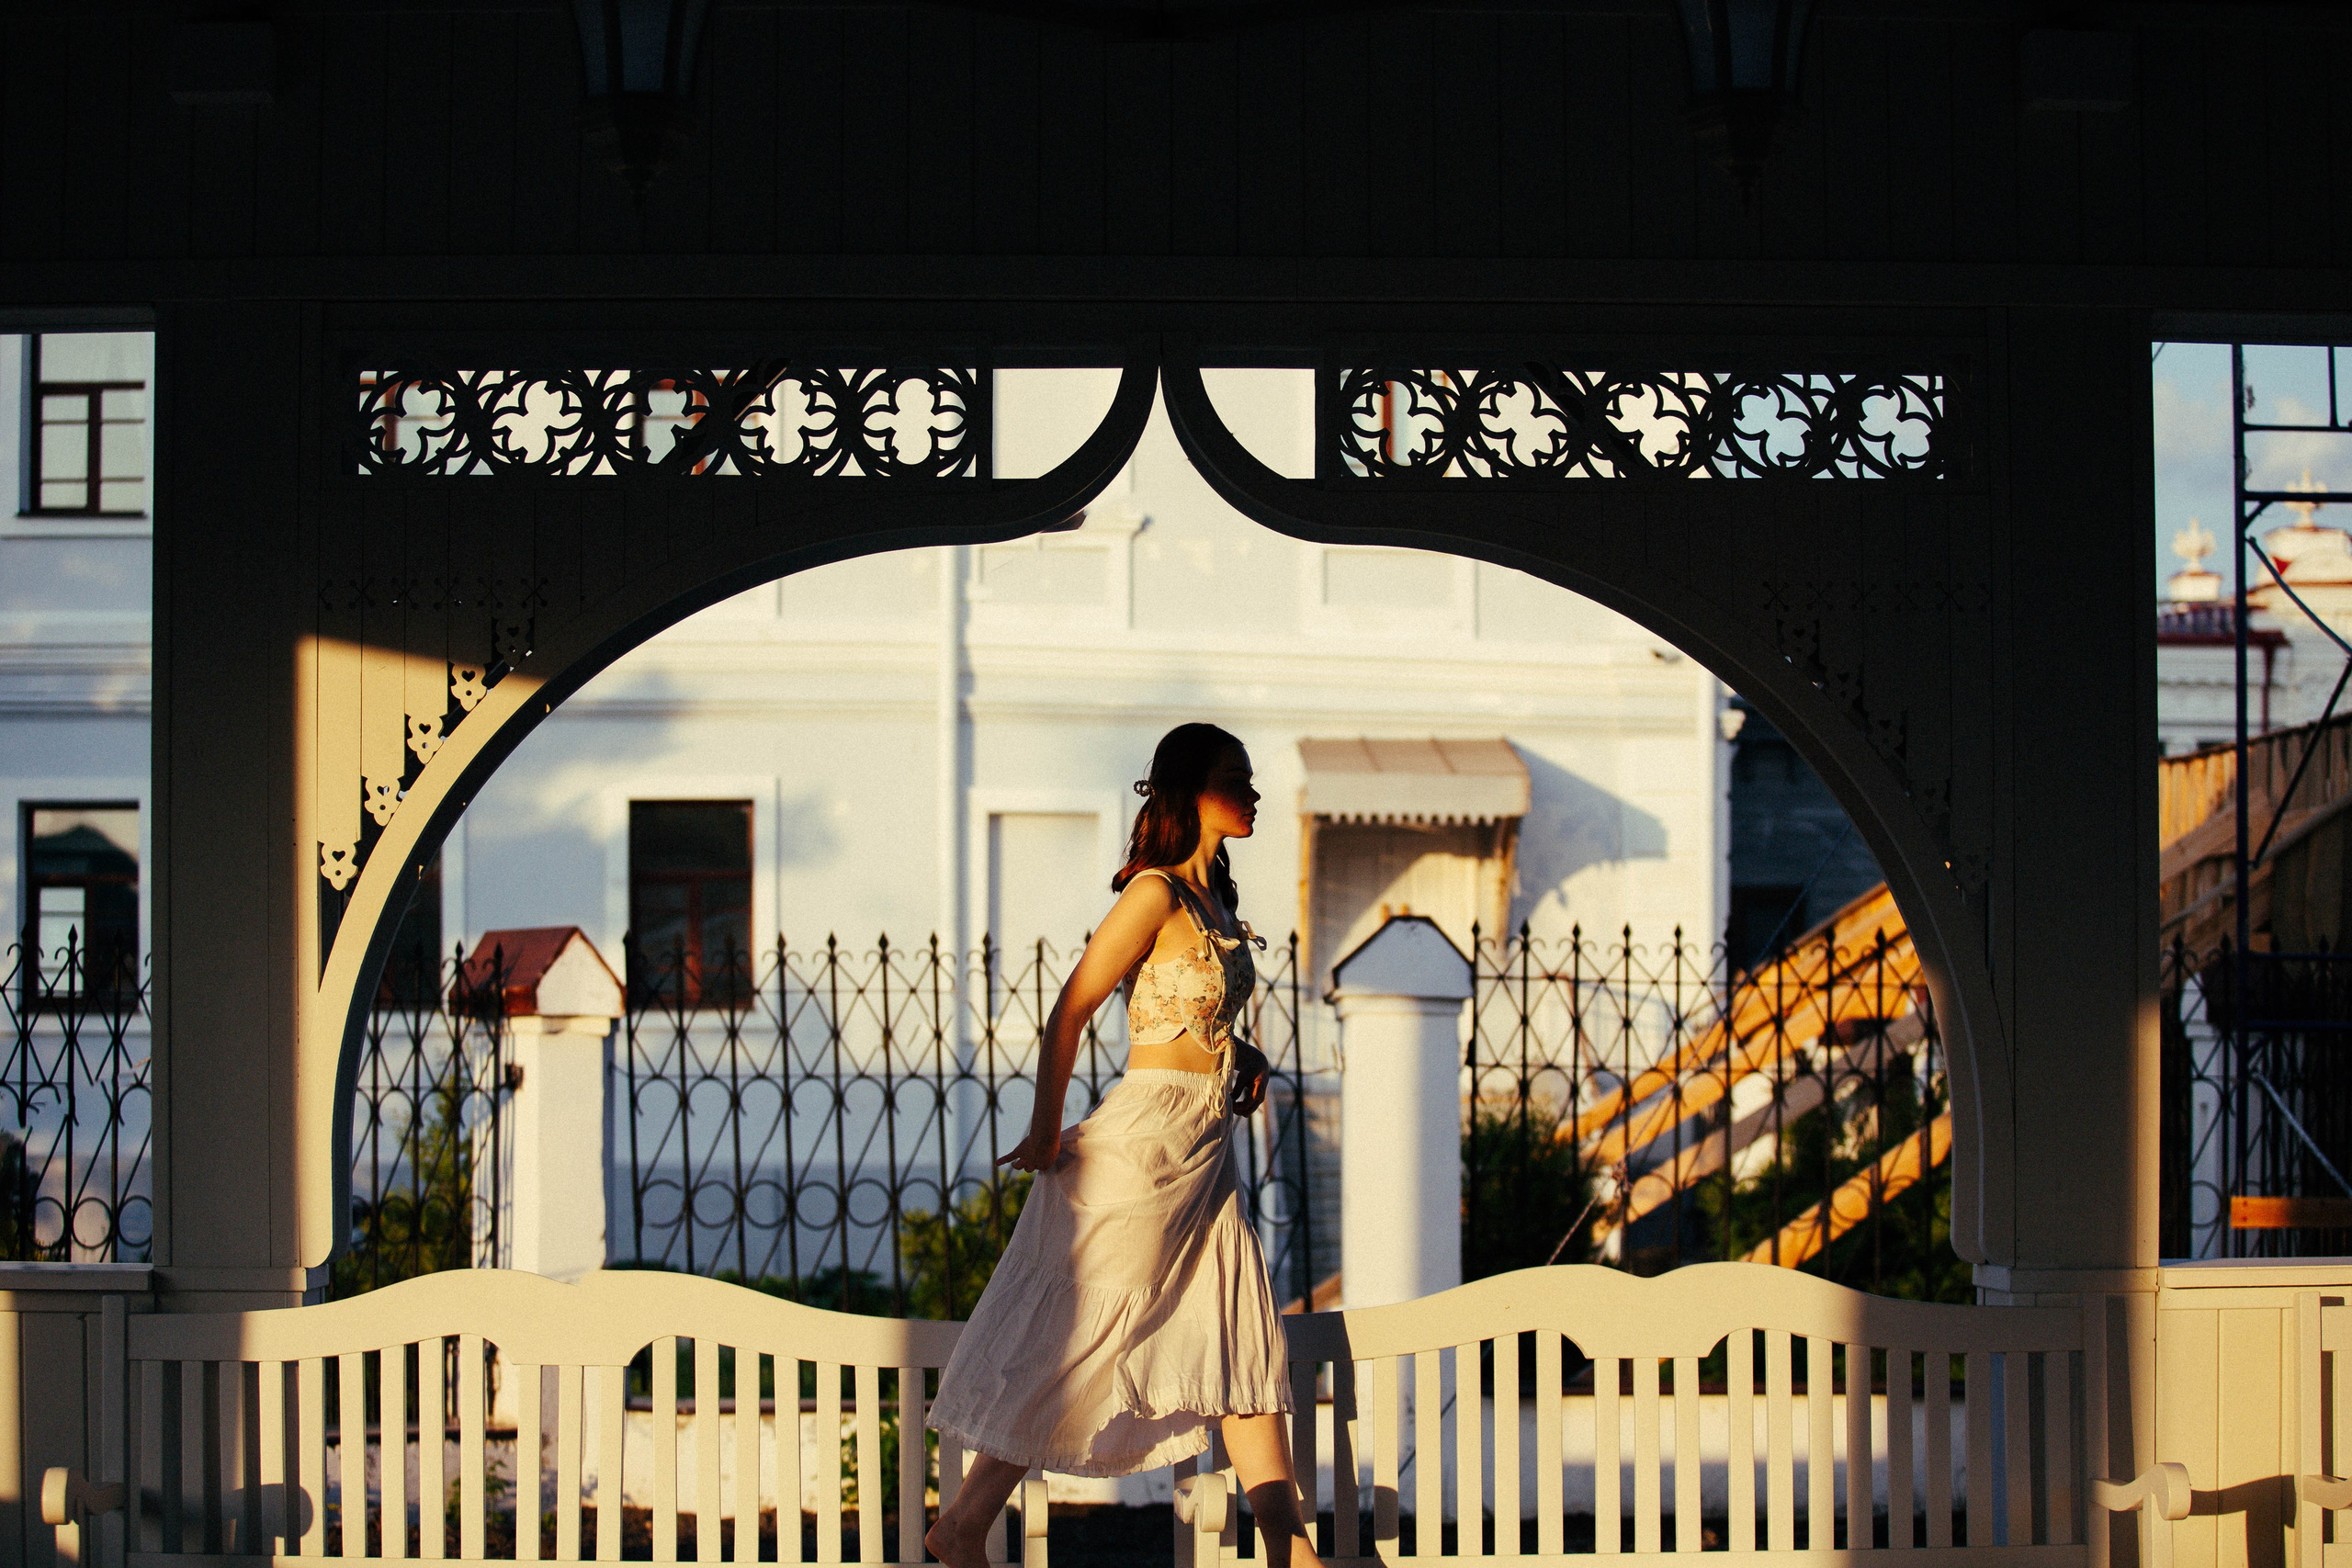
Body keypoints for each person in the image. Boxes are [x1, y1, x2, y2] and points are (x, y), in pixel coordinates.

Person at [924, 722, 1322, 1568]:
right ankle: (962, 1525)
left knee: (1238, 1329)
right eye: (1235, 778)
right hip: (1144, 1149)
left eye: (1251, 780)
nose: (1252, 793)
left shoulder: (1218, 902)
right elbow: (1070, 1008)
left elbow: (1192, 1019)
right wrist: (1041, 1129)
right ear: (1191, 790)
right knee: (1075, 1340)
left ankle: (1291, 1550)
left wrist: (1240, 1056)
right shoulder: (1154, 894)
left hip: (1206, 1156)